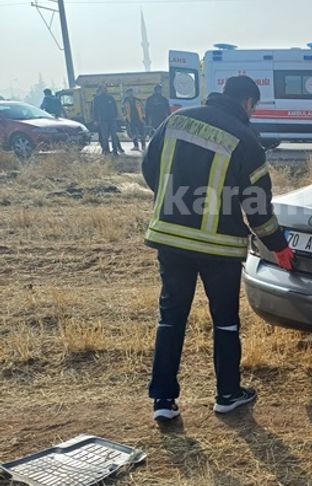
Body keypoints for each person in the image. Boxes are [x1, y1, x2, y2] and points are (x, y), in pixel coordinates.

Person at [142, 75, 295, 422]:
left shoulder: (176, 119)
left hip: (172, 238)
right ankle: (227, 394)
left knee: (171, 319)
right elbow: (257, 206)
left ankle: (163, 402)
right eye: (254, 108)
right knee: (225, 322)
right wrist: (279, 247)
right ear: (248, 103)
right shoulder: (246, 140)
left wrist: (173, 203)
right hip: (219, 248)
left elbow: (150, 168)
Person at [92, 85, 122, 155]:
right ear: (100, 89)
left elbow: (115, 107)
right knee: (105, 136)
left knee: (114, 136)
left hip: (112, 120)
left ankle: (115, 150)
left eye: (105, 88)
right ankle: (106, 150)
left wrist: (115, 116)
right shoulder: (97, 99)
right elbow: (94, 110)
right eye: (103, 88)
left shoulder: (110, 97)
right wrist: (96, 120)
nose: (105, 89)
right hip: (103, 120)